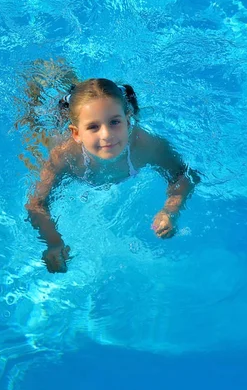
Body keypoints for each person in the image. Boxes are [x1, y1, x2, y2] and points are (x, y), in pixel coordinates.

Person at [23, 76, 200, 273]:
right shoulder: (64, 156)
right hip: (49, 132)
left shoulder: (146, 146)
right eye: (93, 127)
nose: (106, 134)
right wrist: (54, 242)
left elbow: (183, 175)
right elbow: (37, 203)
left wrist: (170, 210)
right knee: (33, 122)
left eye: (115, 122)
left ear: (128, 119)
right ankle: (45, 80)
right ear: (76, 133)